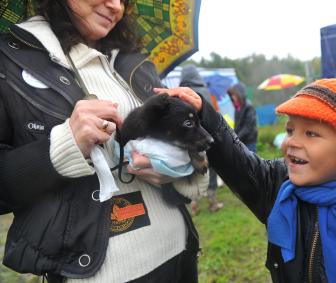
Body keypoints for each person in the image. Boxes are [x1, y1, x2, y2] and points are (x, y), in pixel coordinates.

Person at [0, 1, 207, 282]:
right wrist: (65, 144)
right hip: (99, 272)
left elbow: (175, 138)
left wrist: (184, 165)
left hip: (177, 251)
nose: (116, 7)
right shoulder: (9, 60)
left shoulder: (135, 60)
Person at [157, 78, 336, 282]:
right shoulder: (279, 188)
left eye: (311, 134)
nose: (290, 143)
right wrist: (204, 112)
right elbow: (239, 164)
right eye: (290, 130)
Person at [179, 64, 224, 214]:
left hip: (190, 142)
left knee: (191, 172)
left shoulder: (179, 95)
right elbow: (216, 115)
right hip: (209, 139)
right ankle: (212, 202)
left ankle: (193, 204)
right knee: (211, 170)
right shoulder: (207, 93)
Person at [227, 82, 258, 152]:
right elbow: (237, 126)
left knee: (250, 162)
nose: (232, 97)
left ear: (239, 94)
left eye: (234, 94)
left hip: (249, 142)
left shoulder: (248, 107)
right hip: (241, 141)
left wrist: (235, 138)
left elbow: (248, 127)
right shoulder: (238, 107)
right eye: (232, 95)